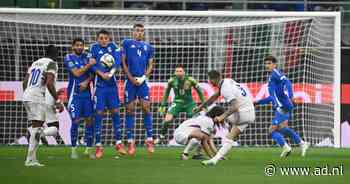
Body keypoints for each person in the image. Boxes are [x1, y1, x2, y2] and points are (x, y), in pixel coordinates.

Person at [193, 70, 255, 166]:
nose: (209, 82)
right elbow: (214, 97)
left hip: (242, 113)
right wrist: (200, 107)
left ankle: (208, 133)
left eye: (209, 80)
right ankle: (215, 159)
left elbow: (235, 106)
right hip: (251, 113)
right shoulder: (227, 81)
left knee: (215, 113)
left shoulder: (225, 89)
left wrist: (222, 117)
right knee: (229, 137)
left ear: (213, 79)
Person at [255, 55, 309, 157]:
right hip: (281, 106)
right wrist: (258, 102)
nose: (267, 65)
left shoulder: (276, 73)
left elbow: (287, 82)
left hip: (283, 106)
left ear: (274, 64)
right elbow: (271, 97)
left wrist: (291, 96)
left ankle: (286, 147)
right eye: (266, 63)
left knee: (271, 130)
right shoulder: (271, 77)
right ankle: (302, 143)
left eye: (269, 63)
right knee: (283, 128)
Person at [23, 45, 64, 166]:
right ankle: (30, 159)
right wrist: (57, 100)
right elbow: (49, 83)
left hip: (27, 95)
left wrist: (28, 93)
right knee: (38, 129)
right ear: (55, 55)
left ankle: (31, 159)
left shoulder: (35, 63)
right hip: (37, 97)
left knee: (36, 127)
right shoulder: (52, 64)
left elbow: (25, 82)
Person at [88, 29, 124, 158]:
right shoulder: (93, 48)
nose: (103, 40)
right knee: (98, 114)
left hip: (112, 86)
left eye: (106, 38)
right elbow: (91, 65)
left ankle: (119, 143)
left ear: (109, 39)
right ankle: (98, 145)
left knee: (115, 112)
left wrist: (111, 73)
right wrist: (101, 74)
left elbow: (118, 61)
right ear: (97, 38)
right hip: (99, 87)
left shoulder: (113, 46)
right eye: (101, 38)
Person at [121, 23, 155, 155]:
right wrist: (130, 78)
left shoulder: (149, 47)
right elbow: (123, 62)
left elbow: (151, 65)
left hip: (142, 82)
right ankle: (130, 142)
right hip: (129, 82)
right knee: (129, 110)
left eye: (141, 31)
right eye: (137, 30)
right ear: (133, 32)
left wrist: (143, 77)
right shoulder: (126, 43)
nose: (139, 33)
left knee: (146, 107)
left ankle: (149, 139)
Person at [64, 38, 95, 159]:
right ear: (73, 47)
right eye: (77, 45)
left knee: (89, 120)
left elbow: (93, 74)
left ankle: (88, 149)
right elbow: (76, 73)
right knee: (75, 121)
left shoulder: (87, 57)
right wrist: (89, 64)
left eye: (81, 45)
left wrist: (87, 82)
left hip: (87, 95)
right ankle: (73, 149)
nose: (80, 47)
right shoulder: (68, 58)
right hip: (74, 95)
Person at [158, 65, 205, 143]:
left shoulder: (191, 80)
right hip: (177, 102)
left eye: (180, 71)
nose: (178, 73)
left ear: (184, 72)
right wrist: (162, 105)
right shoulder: (171, 81)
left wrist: (204, 104)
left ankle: (196, 140)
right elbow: (166, 93)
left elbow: (200, 92)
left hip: (189, 103)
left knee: (196, 121)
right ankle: (161, 136)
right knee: (167, 120)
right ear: (174, 73)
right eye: (177, 71)